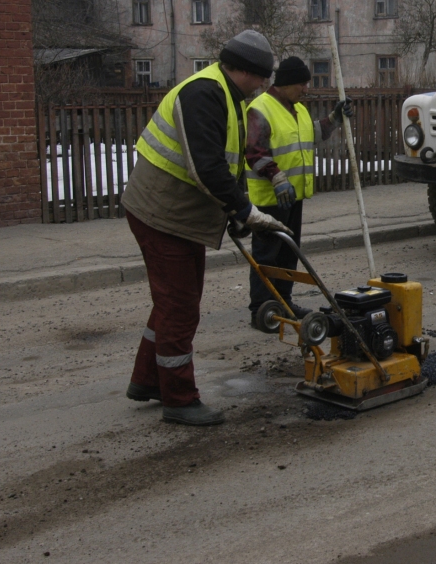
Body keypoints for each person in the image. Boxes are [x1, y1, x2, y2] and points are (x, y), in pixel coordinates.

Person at [122, 29, 291, 426]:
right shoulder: (203, 94)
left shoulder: (228, 96)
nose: (264, 85)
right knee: (180, 307)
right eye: (262, 77)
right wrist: (244, 209)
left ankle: (148, 380)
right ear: (247, 71)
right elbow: (206, 168)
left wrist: (232, 211)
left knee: (171, 303)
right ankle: (179, 399)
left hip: (178, 214)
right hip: (162, 213)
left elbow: (225, 163)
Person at [243, 56, 353, 327]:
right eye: (303, 84)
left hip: (293, 196)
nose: (306, 89)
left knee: (288, 254)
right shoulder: (261, 109)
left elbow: (313, 133)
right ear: (287, 83)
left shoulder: (298, 110)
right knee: (267, 256)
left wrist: (334, 118)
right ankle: (262, 311)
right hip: (270, 198)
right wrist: (276, 176)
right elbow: (254, 151)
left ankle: (284, 302)